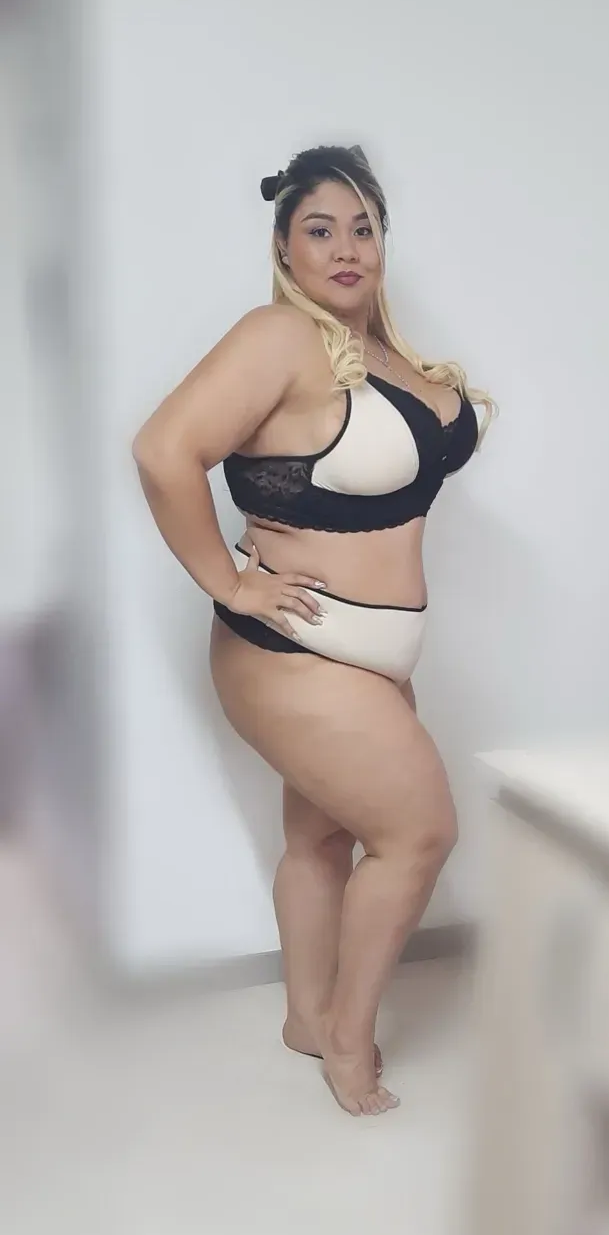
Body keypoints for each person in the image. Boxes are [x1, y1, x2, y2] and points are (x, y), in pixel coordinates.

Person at [133, 145, 493, 1116]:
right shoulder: (279, 338)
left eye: (362, 229)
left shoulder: (388, 358)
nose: (345, 248)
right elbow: (164, 450)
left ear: (383, 244)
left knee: (322, 837)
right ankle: (347, 1041)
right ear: (283, 247)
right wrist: (229, 582)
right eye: (320, 229)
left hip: (373, 660)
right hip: (294, 651)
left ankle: (304, 1014)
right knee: (418, 833)